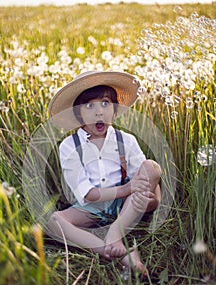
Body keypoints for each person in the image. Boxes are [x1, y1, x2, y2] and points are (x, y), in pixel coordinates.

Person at [47, 71, 161, 274]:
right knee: (55, 221)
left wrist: (151, 199)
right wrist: (129, 188)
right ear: (78, 114)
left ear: (115, 110)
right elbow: (89, 194)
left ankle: (115, 231)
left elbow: (147, 178)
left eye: (106, 103)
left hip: (126, 207)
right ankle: (108, 249)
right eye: (90, 106)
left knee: (151, 166)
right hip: (91, 207)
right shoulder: (69, 146)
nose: (99, 112)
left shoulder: (126, 140)